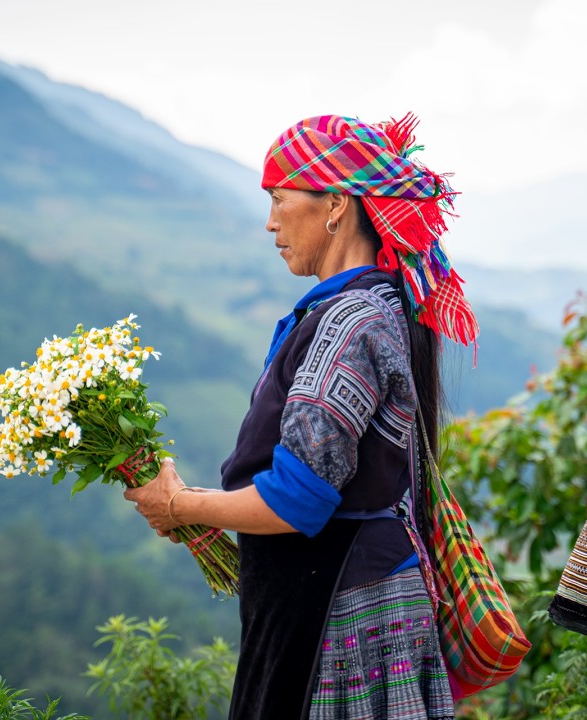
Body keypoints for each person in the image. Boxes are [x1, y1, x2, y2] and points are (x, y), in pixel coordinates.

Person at [125, 114, 476, 719]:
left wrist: (182, 506)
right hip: (349, 590)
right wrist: (197, 504)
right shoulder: (378, 305)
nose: (270, 221)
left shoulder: (349, 323)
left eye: (279, 198)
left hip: (336, 614)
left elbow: (298, 500)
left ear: (336, 204)